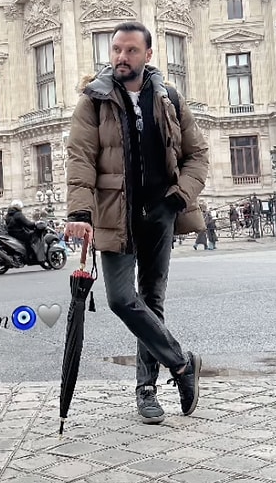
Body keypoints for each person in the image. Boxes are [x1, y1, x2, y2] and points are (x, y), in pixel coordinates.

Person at [64, 21, 209, 425]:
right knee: (120, 299)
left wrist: (181, 196)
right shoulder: (93, 100)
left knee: (153, 301)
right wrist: (80, 212)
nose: (121, 58)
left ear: (148, 55)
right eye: (115, 50)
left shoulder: (169, 98)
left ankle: (146, 390)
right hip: (114, 213)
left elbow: (198, 154)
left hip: (160, 213)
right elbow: (79, 160)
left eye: (130, 51)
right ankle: (182, 364)